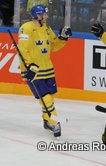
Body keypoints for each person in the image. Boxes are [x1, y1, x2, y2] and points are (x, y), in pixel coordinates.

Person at [18, 4, 72, 137]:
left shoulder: (47, 29)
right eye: (45, 14)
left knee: (49, 98)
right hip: (34, 71)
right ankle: (54, 122)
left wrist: (63, 38)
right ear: (37, 15)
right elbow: (22, 50)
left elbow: (53, 46)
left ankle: (46, 121)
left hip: (48, 69)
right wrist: (29, 66)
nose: (47, 16)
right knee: (46, 98)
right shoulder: (26, 29)